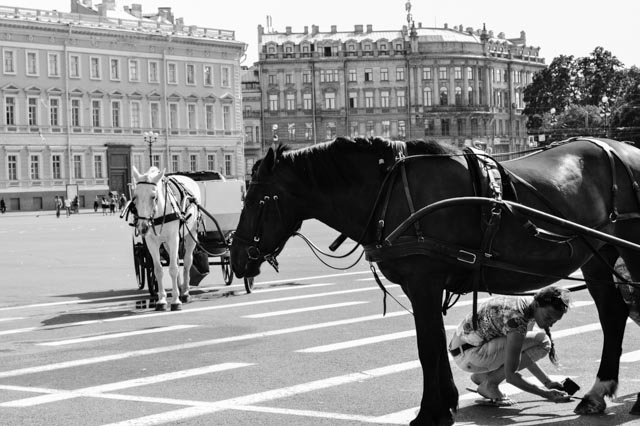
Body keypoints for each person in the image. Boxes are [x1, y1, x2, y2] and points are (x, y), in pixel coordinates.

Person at [449, 285, 572, 405]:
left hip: (464, 351)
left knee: (531, 343)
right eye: (548, 317)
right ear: (537, 305)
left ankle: (483, 376)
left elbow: (521, 353)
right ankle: (489, 384)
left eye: (555, 321)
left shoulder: (527, 304)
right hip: (469, 355)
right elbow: (511, 376)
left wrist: (547, 382)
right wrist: (546, 394)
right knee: (543, 342)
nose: (550, 324)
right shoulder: (517, 321)